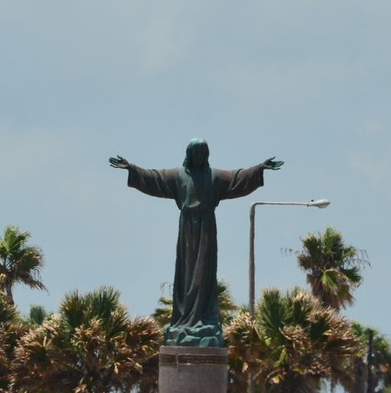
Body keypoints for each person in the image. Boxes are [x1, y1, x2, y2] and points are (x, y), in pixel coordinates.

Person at [110, 139, 283, 348]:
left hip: (207, 230)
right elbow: (155, 178)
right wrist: (132, 168)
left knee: (205, 275)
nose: (199, 157)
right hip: (187, 231)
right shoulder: (178, 175)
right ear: (190, 154)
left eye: (203, 153)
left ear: (207, 154)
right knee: (186, 276)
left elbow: (238, 178)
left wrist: (259, 169)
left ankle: (205, 319)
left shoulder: (215, 176)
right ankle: (184, 320)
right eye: (196, 153)